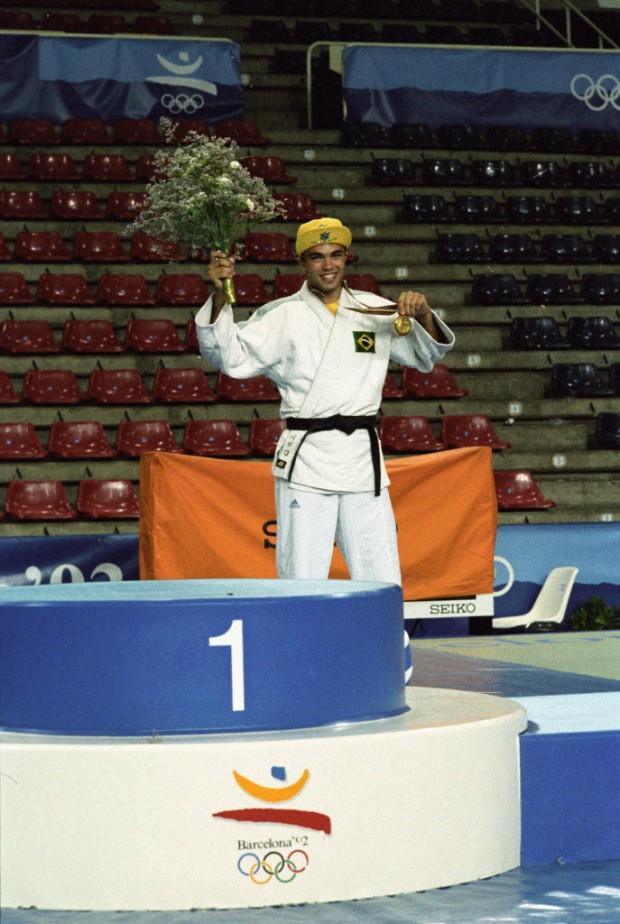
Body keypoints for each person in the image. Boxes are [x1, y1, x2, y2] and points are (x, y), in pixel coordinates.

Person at [194, 217, 455, 586]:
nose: (328, 265)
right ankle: (299, 644)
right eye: (317, 257)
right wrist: (221, 293)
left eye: (335, 255)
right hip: (307, 459)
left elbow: (425, 356)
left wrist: (425, 315)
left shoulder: (375, 310)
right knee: (302, 573)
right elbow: (230, 356)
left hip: (362, 461)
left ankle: (384, 643)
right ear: (302, 263)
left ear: (347, 258)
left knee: (380, 572)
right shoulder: (281, 316)